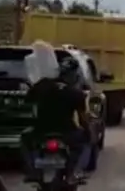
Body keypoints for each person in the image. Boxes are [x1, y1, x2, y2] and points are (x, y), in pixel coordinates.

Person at [23, 56, 90, 184]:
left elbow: (28, 100)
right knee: (85, 144)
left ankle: (32, 172)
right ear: (74, 75)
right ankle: (73, 173)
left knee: (24, 139)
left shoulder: (43, 84)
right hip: (67, 133)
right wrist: (88, 132)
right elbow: (83, 119)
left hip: (41, 131)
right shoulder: (76, 93)